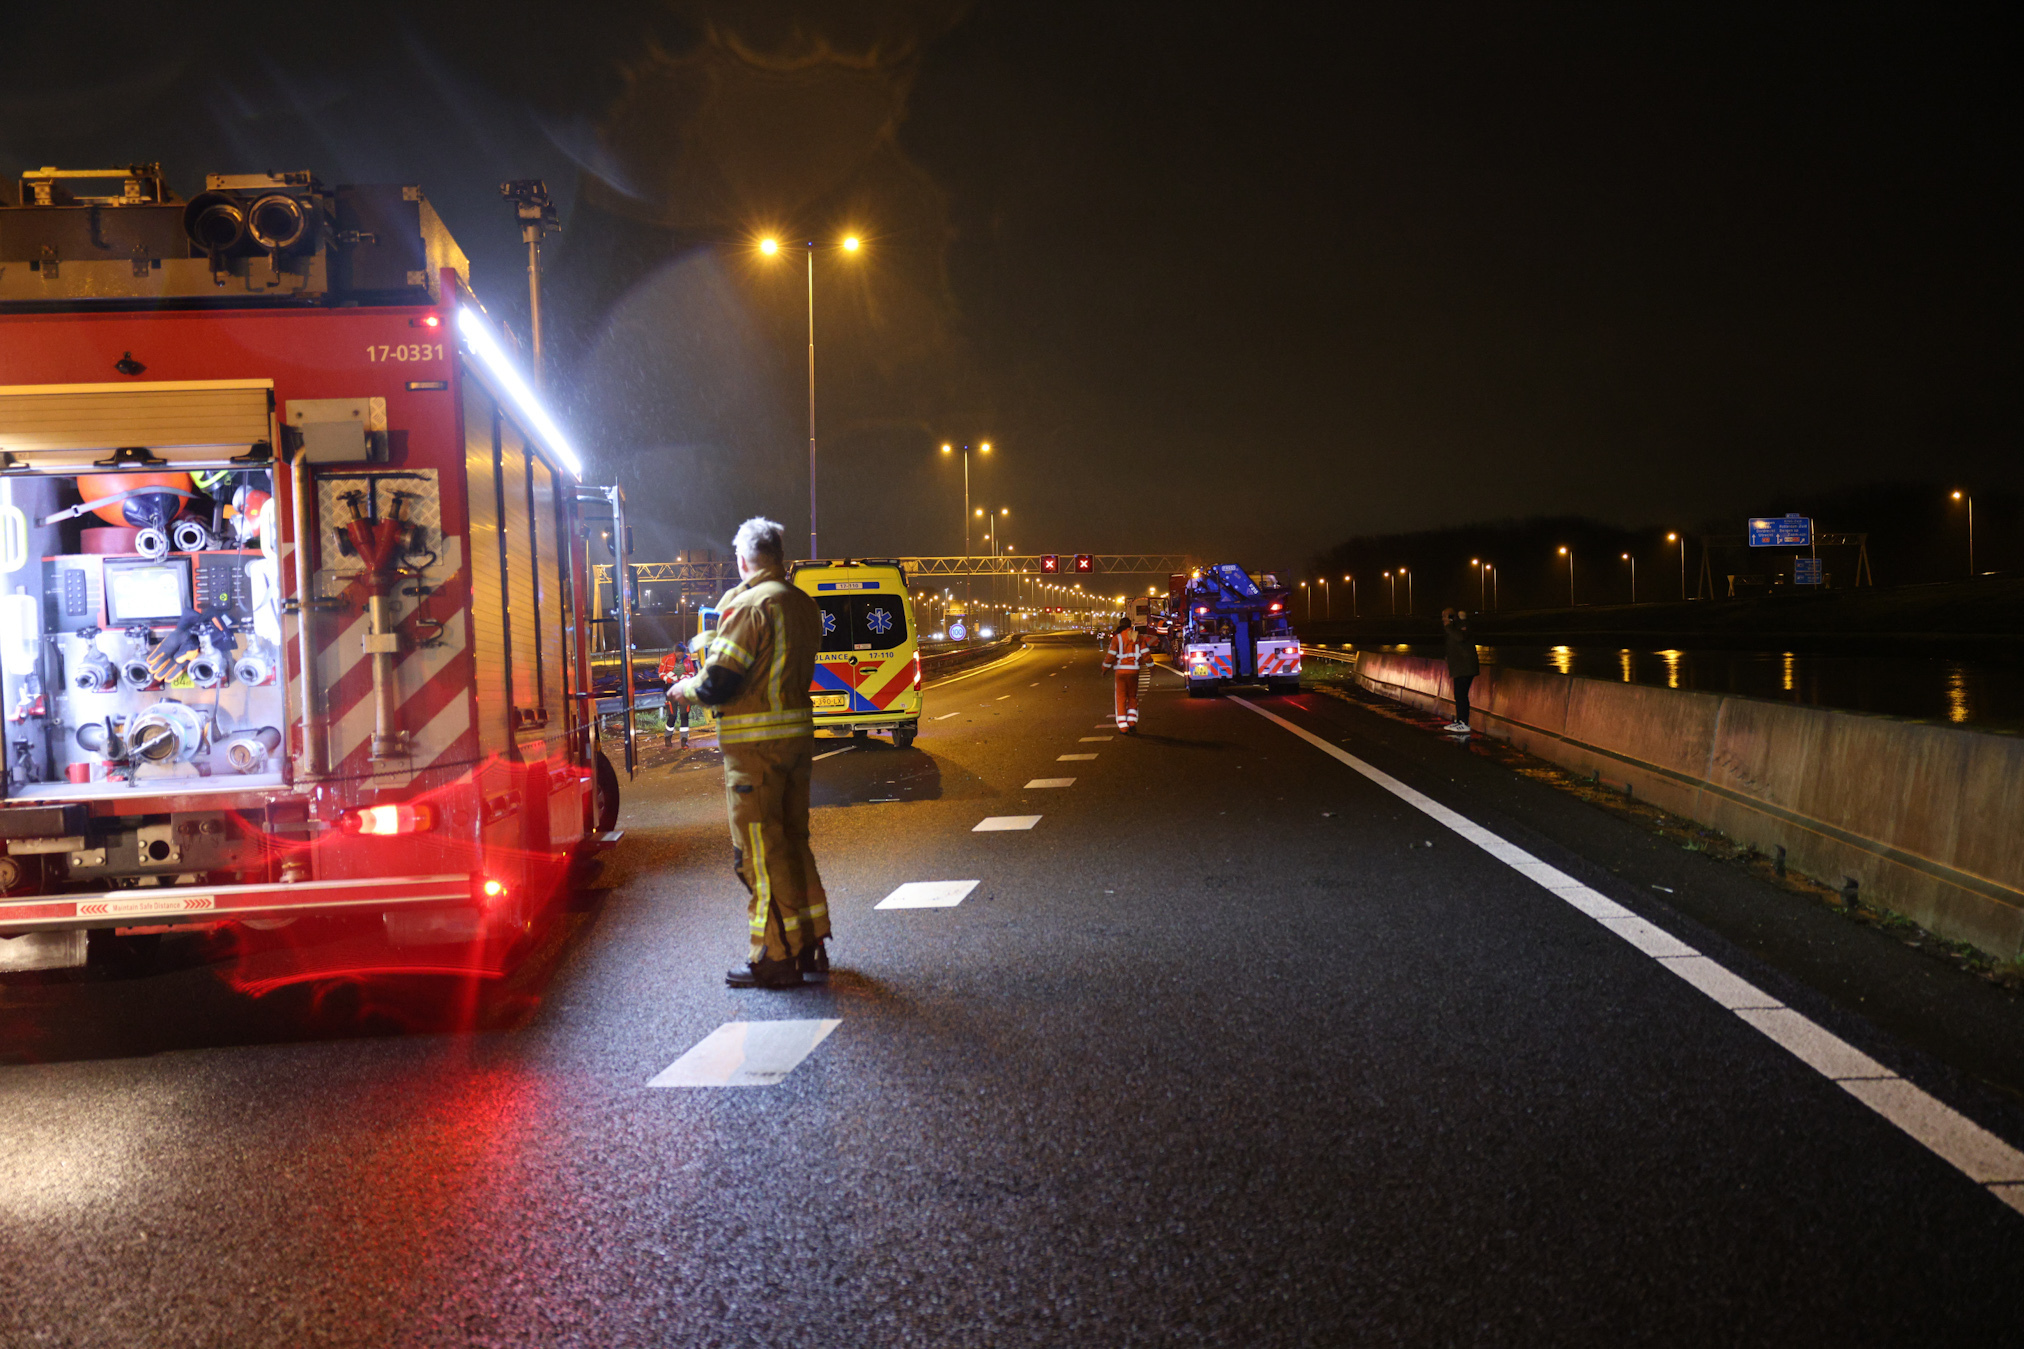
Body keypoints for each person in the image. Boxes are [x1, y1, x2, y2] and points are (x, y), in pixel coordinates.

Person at [667, 519, 829, 988]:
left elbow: (722, 681)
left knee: (757, 852)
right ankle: (811, 945)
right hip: (796, 743)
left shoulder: (748, 604)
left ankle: (776, 957)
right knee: (793, 842)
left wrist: (685, 689)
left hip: (755, 749)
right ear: (778, 554)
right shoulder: (801, 603)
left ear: (743, 560)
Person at [1101, 616, 1145, 733]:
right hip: (1134, 671)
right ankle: (1132, 722)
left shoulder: (1117, 638)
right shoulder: (1137, 636)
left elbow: (1110, 656)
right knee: (1132, 697)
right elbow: (1145, 653)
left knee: (1121, 698)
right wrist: (1151, 666)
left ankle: (1123, 726)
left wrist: (1105, 668)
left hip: (1120, 673)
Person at [1441, 607, 1479, 734]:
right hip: (1460, 667)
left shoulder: (1462, 625)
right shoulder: (1455, 627)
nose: (1443, 620)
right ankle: (1460, 721)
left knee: (1461, 695)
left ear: (1452, 617)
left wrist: (1449, 627)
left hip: (1465, 668)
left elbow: (1460, 637)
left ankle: (1463, 722)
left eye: (1445, 616)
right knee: (1459, 694)